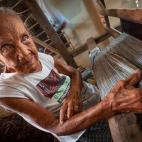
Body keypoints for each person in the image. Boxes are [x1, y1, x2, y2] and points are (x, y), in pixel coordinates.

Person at [0, 7, 142, 142]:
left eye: (24, 38)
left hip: (98, 97)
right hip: (83, 130)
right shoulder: (7, 90)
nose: (24, 53)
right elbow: (55, 127)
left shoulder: (41, 57)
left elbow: (73, 73)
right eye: (6, 47)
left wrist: (73, 93)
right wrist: (110, 105)